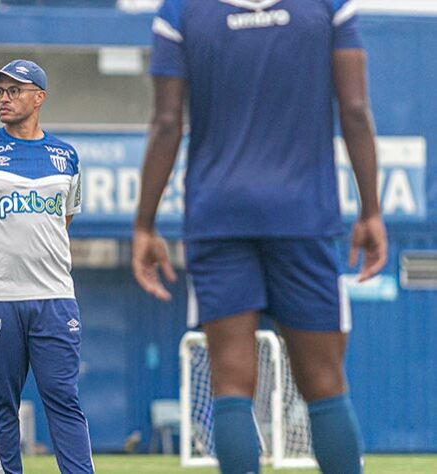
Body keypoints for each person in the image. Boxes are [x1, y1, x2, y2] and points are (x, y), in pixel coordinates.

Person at [132, 2, 387, 473]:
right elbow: (354, 109)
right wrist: (371, 211)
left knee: (231, 383)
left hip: (218, 216)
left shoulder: (181, 11)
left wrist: (144, 225)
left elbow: (167, 123)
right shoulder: (329, 6)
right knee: (326, 384)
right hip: (303, 215)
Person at [0, 59, 93, 474]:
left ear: (39, 98)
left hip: (55, 297)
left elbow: (62, 219)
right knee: (1, 401)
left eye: (14, 90)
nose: (4, 98)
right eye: (0, 91)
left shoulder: (66, 156)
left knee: (64, 398)